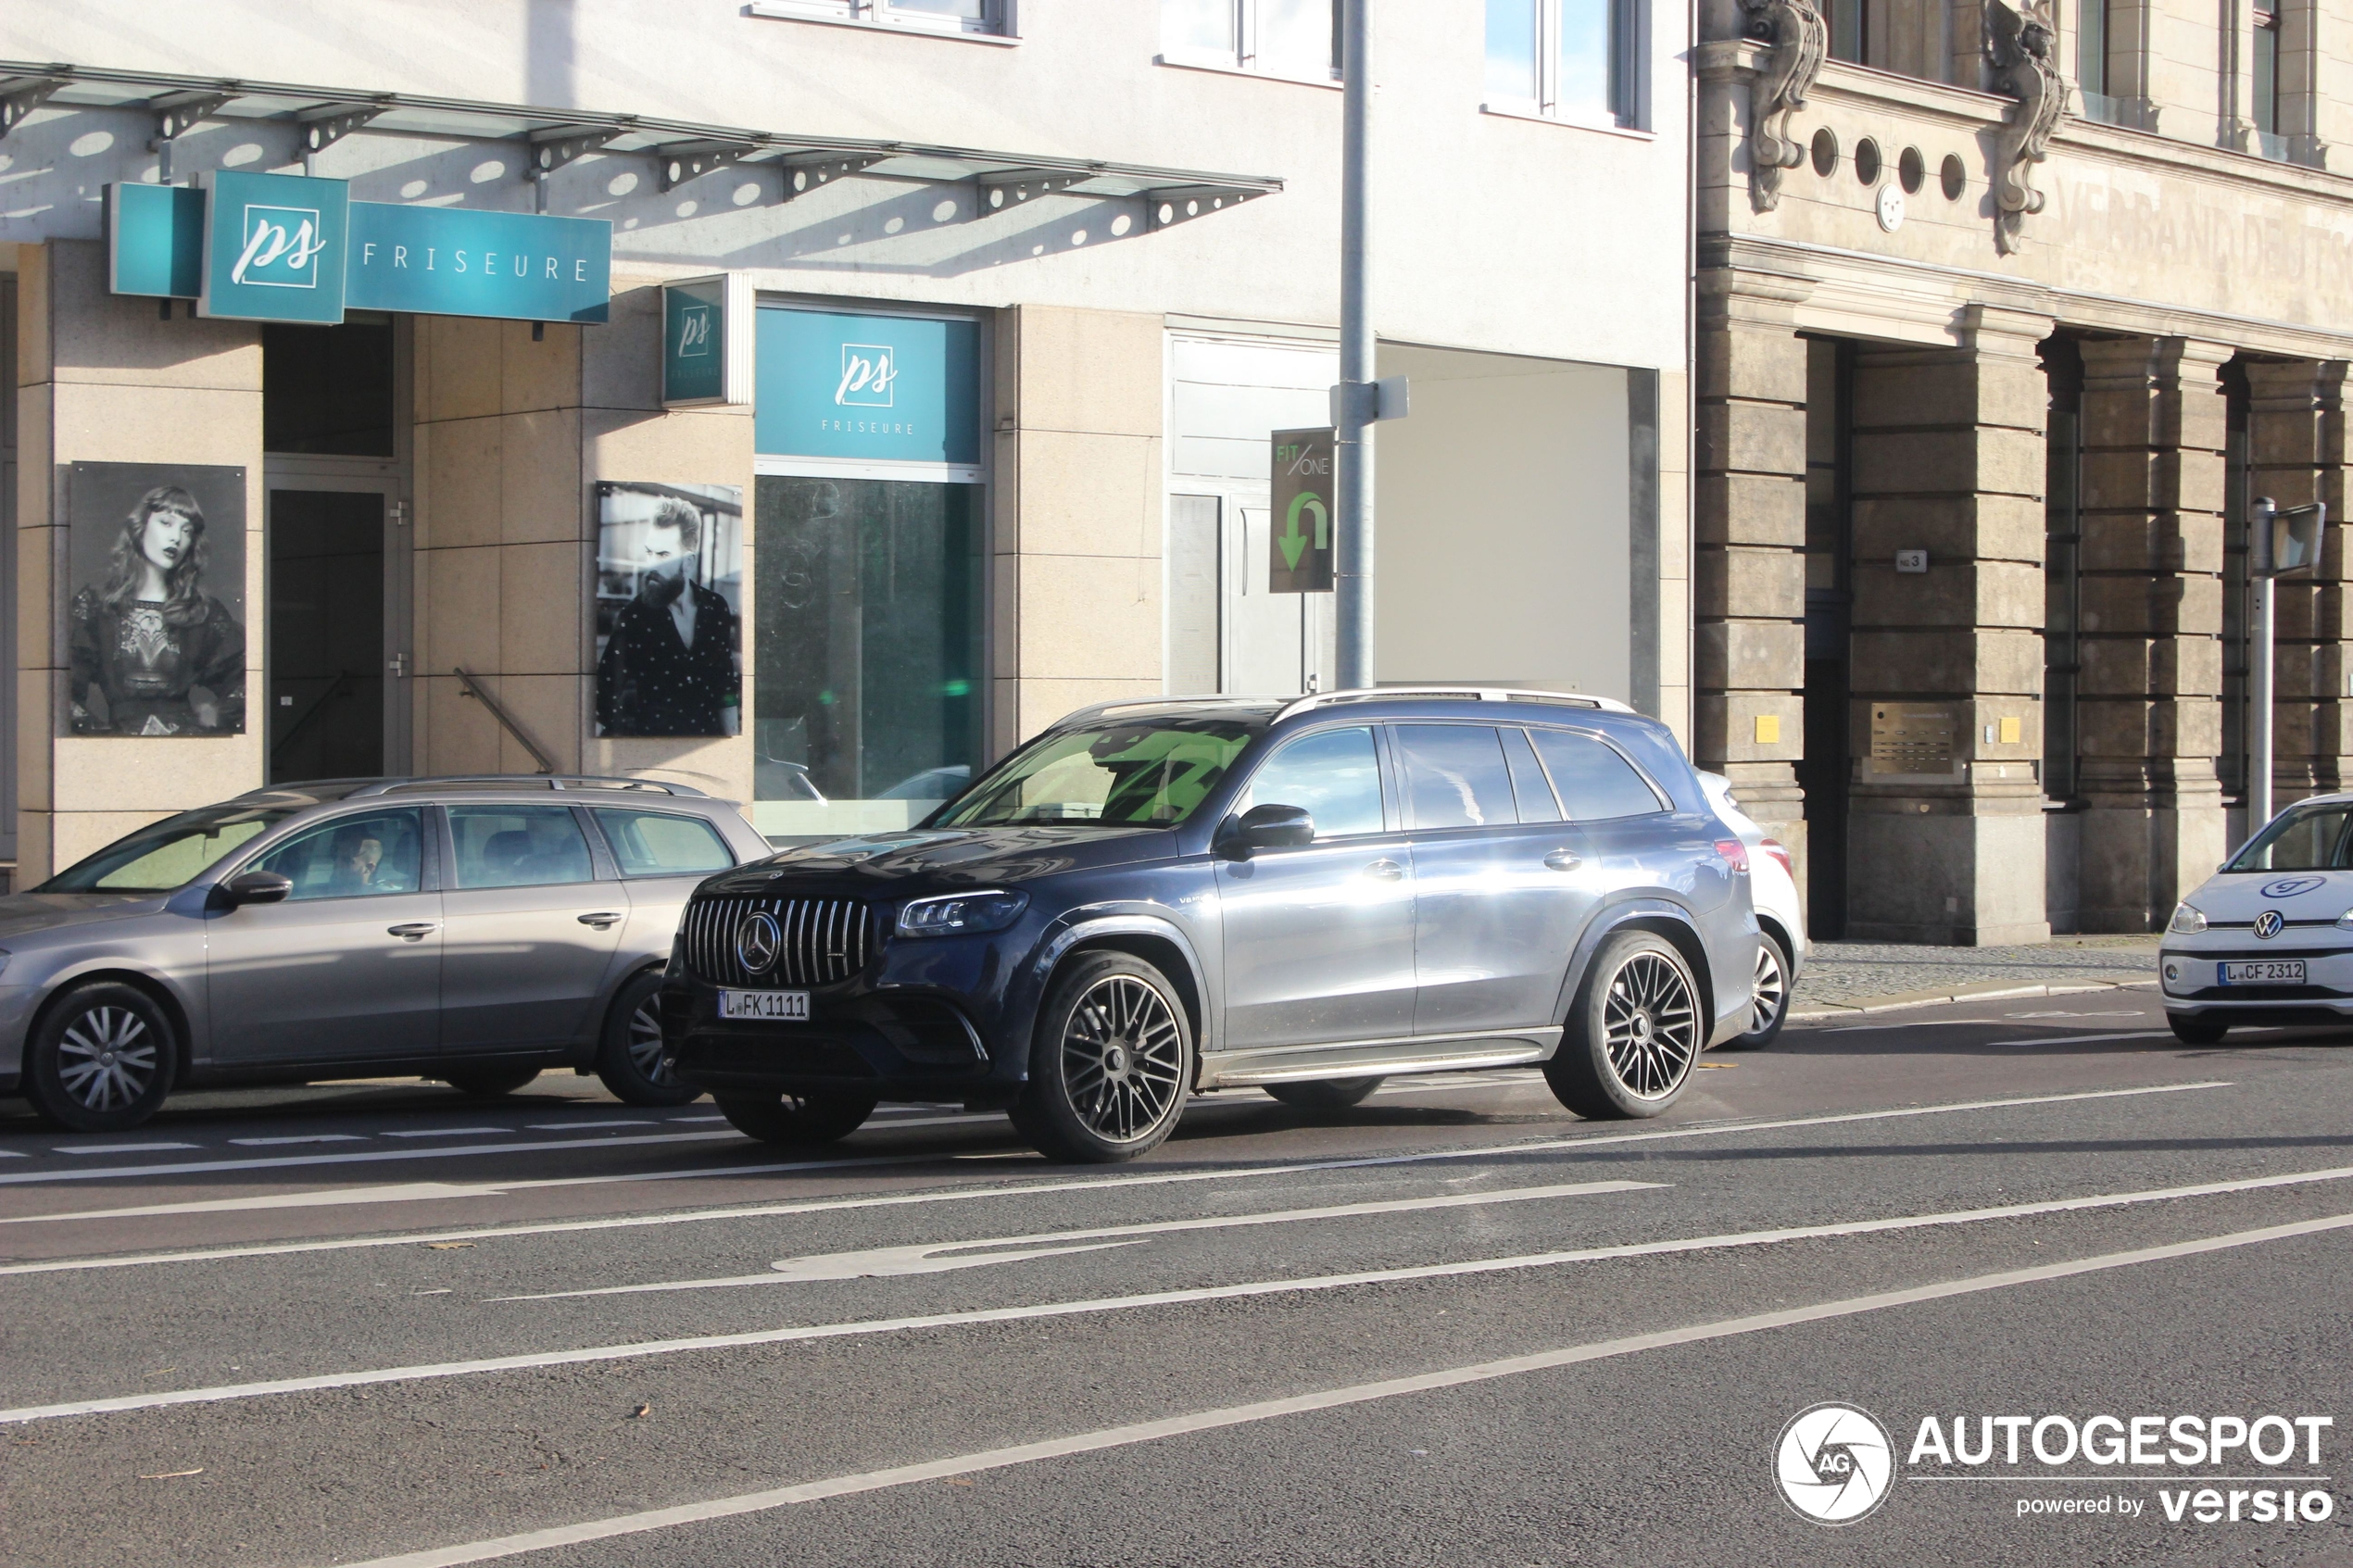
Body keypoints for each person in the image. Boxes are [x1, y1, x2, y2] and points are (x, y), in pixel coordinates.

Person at [69, 484, 245, 736]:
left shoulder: (202, 611)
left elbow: (247, 681)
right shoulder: (97, 604)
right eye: (166, 523)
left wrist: (210, 717)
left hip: (185, 752)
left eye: (187, 530)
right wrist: (103, 738)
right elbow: (59, 688)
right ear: (141, 526)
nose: (176, 537)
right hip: (115, 755)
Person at [594, 495, 741, 737]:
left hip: (708, 742)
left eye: (663, 555)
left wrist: (733, 744)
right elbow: (604, 694)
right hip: (652, 746)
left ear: (687, 563)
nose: (651, 565)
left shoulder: (715, 607)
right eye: (649, 553)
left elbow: (725, 686)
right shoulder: (634, 617)